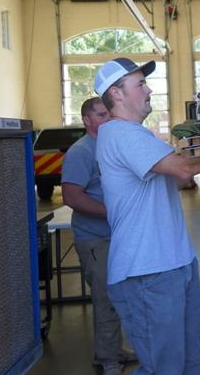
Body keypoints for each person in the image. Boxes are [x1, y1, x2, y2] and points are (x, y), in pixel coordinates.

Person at [94, 57, 200, 375]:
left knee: (196, 363)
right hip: (147, 272)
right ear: (116, 93)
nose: (148, 90)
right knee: (166, 367)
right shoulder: (120, 134)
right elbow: (183, 169)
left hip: (175, 262)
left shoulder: (138, 136)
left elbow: (181, 178)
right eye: (140, 84)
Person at [61, 96, 135, 375]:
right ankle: (108, 361)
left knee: (119, 296)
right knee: (106, 298)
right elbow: (71, 196)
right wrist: (110, 212)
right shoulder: (81, 152)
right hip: (95, 239)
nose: (109, 120)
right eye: (102, 115)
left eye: (110, 114)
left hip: (116, 237)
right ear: (87, 121)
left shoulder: (110, 146)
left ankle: (113, 350)